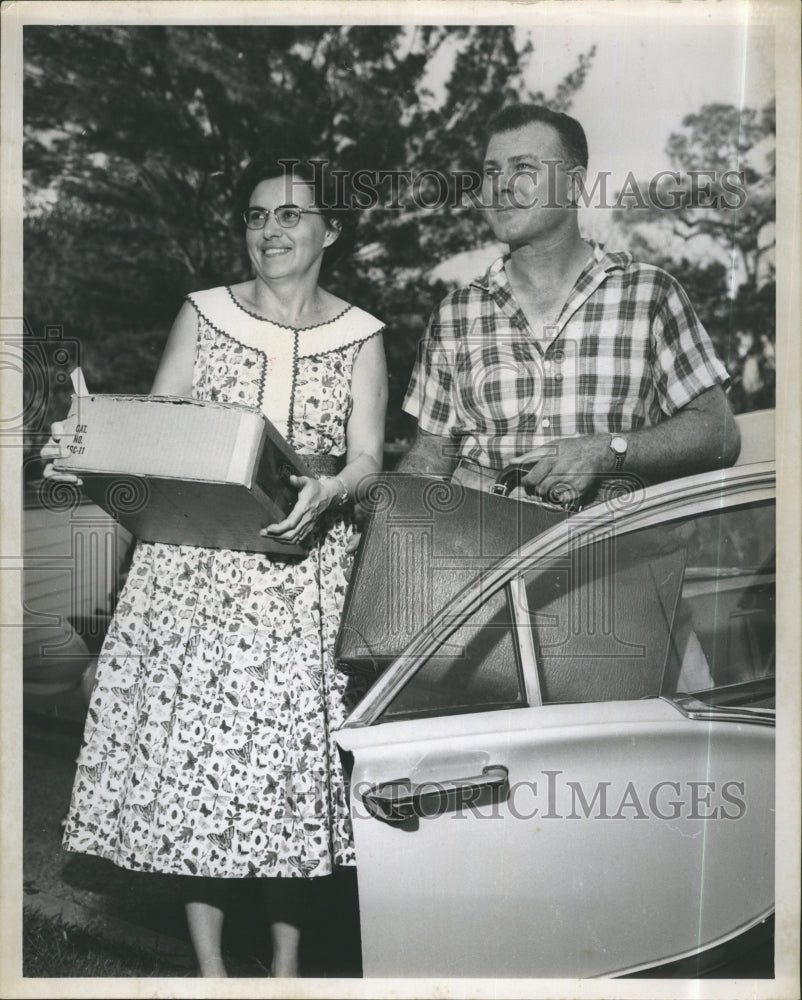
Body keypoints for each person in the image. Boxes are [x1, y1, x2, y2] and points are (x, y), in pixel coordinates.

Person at [44, 156, 388, 978]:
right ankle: (211, 974)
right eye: (256, 216)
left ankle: (286, 972)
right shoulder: (203, 312)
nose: (269, 231)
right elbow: (157, 430)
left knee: (283, 773)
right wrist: (86, 445)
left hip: (299, 571)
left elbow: (370, 458)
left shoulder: (363, 334)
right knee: (195, 766)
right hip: (192, 567)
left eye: (290, 215)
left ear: (331, 231)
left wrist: (332, 489)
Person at [400, 103, 740, 499]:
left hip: (616, 537)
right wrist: (385, 515)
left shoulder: (650, 294)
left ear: (574, 185)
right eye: (491, 172)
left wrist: (607, 451)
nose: (501, 185)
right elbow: (430, 458)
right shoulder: (454, 314)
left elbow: (718, 434)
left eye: (523, 169)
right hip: (485, 538)